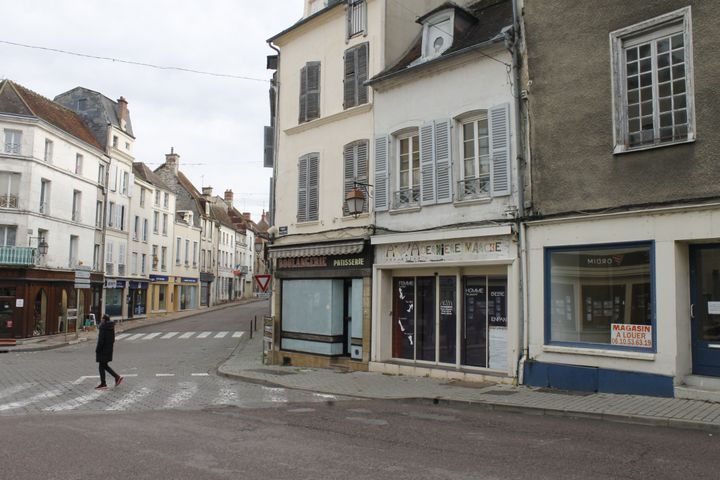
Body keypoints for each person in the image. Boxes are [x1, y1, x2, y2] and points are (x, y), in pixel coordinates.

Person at [95, 314, 123, 390]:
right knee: (104, 365)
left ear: (103, 320)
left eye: (102, 319)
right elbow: (113, 339)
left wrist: (97, 349)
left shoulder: (103, 327)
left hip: (103, 350)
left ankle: (105, 382)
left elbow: (101, 341)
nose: (101, 320)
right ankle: (115, 378)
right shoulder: (111, 327)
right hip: (109, 349)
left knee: (102, 366)